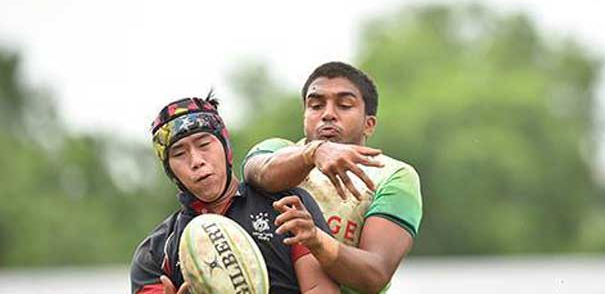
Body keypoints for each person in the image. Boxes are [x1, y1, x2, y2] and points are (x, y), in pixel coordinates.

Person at [242, 62, 423, 294]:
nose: (328, 114)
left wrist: (316, 240)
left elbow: (374, 274)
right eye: (316, 105)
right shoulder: (276, 150)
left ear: (369, 125)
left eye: (345, 105)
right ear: (305, 116)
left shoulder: (395, 176)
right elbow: (258, 174)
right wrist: (313, 152)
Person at [130, 94, 339, 294]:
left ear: (225, 147)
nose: (196, 161)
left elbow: (320, 289)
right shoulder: (154, 254)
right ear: (170, 170)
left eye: (204, 145)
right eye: (179, 153)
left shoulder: (287, 205)